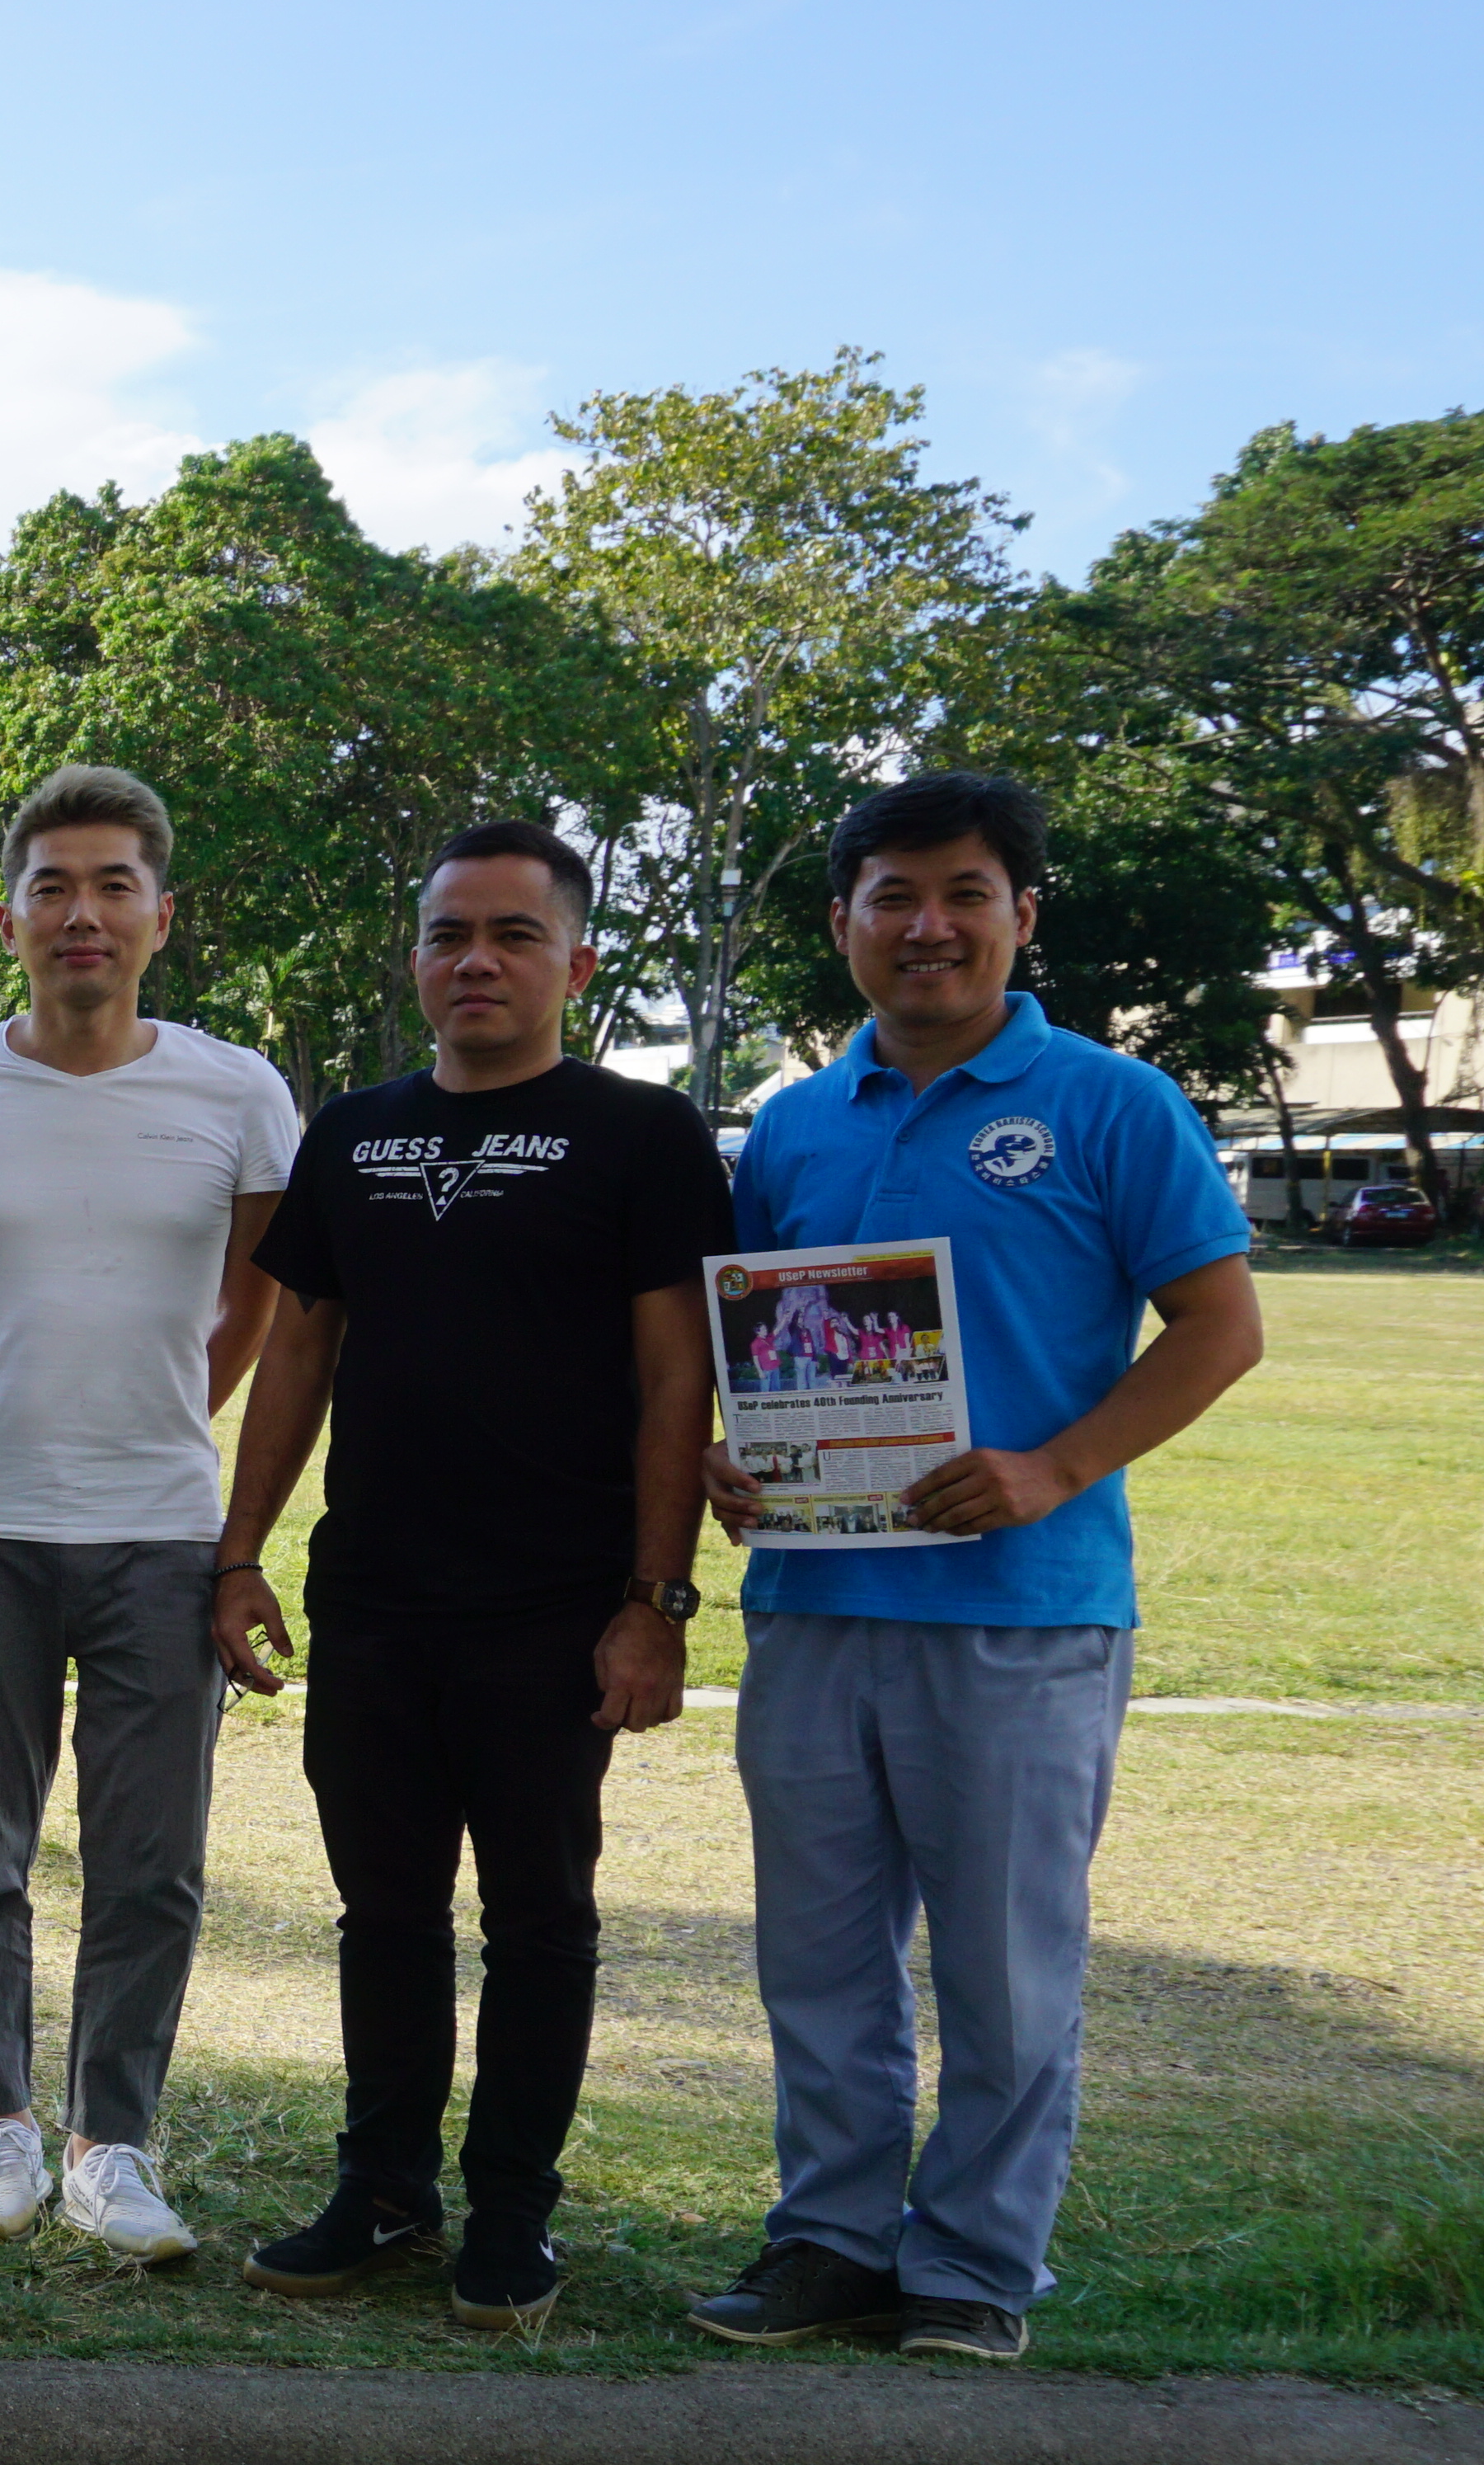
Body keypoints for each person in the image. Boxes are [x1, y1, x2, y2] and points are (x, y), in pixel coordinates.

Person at [685, 771, 1258, 2365]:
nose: (928, 927)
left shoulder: (1109, 1103)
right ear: (844, 923)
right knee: (817, 1959)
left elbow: (1223, 1326)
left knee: (1006, 1969)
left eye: (964, 894)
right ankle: (833, 2238)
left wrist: (1054, 1466)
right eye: (894, 898)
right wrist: (734, 1456)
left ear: (1021, 913)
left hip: (1022, 1612)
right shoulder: (795, 1122)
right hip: (813, 1606)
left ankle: (973, 2271)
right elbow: (770, 1340)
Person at [209, 826, 730, 2331]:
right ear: (418, 959)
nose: (477, 961)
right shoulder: (354, 1133)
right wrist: (240, 1554)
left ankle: (512, 2214)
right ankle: (380, 2191)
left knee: (541, 1920)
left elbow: (671, 1380)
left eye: (513, 934)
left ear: (574, 960)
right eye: (449, 935)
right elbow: (298, 1349)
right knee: (384, 1918)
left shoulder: (642, 1136)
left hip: (554, 1610)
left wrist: (656, 1602)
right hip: (372, 1603)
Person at [0, 764, 295, 2266]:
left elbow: (267, 1299)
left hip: (162, 1536)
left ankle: (116, 2144)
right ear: (11, 916)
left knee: (151, 1863)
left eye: (114, 885)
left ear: (160, 917)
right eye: (53, 886)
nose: (83, 913)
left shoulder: (239, 1091)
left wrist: (179, 1404)